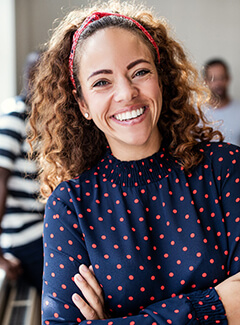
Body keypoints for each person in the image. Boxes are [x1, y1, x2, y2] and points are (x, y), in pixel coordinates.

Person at [28, 1, 240, 324]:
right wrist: (212, 307)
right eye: (102, 82)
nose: (127, 93)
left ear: (161, 78)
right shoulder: (71, 206)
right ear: (82, 103)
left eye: (140, 72)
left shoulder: (225, 168)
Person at [0, 51, 44, 293]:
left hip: (38, 230)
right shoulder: (15, 115)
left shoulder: (35, 119)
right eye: (31, 75)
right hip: (25, 236)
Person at [203, 58, 240, 146]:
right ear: (205, 82)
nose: (218, 83)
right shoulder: (197, 113)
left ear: (228, 79)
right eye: (213, 79)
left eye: (221, 78)